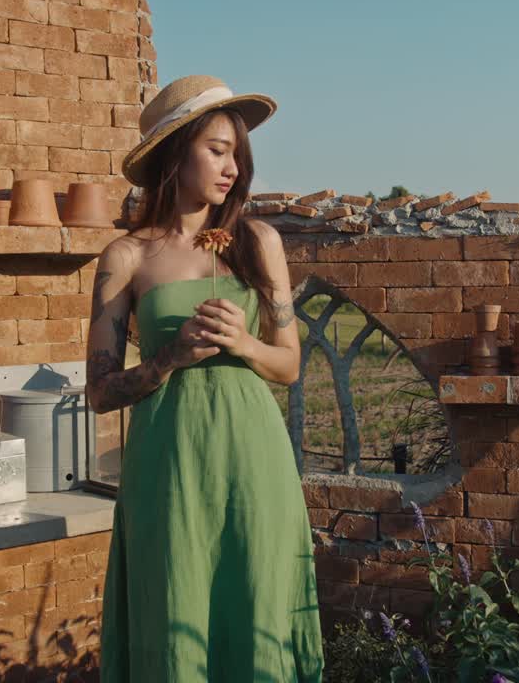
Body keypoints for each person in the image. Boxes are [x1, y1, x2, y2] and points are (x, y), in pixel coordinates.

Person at [87, 75, 324, 681]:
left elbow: (290, 366)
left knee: (257, 599)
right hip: (169, 464)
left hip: (253, 458)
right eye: (217, 150)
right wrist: (168, 359)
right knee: (174, 603)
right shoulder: (126, 257)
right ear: (175, 153)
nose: (232, 168)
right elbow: (100, 392)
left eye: (236, 154)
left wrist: (244, 343)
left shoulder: (258, 242)